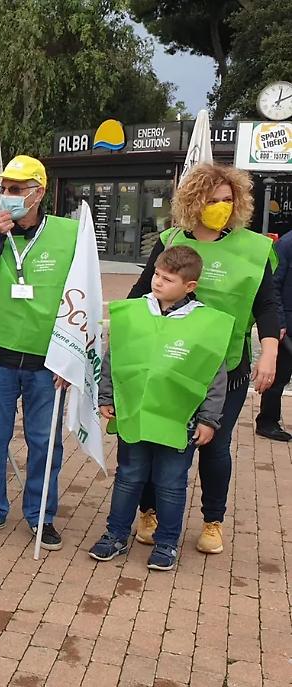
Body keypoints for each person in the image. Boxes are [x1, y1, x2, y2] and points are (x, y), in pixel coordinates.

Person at [128, 163, 280, 555]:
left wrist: (269, 354)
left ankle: (213, 520)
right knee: (157, 437)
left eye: (228, 199)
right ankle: (149, 511)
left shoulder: (253, 249)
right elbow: (140, 294)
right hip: (170, 366)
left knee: (214, 446)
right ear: (194, 202)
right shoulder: (170, 241)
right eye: (212, 200)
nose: (221, 207)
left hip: (226, 368)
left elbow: (267, 305)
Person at [0, 155, 75, 551]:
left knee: (45, 441)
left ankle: (41, 516)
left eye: (17, 189)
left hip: (46, 363)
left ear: (38, 193)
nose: (7, 195)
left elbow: (83, 297)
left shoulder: (70, 235)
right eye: (3, 188)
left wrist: (72, 357)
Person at [89, 246, 231, 571]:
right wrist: (106, 396)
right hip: (135, 415)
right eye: (157, 274)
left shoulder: (207, 324)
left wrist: (209, 419)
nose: (158, 282)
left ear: (189, 286)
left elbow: (214, 375)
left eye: (168, 279)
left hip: (178, 420)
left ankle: (166, 543)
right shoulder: (134, 312)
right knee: (128, 477)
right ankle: (115, 534)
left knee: (171, 483)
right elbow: (114, 357)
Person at [255, 228, 292, 441]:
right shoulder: (286, 244)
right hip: (287, 324)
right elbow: (273, 287)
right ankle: (267, 422)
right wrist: (279, 321)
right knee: (279, 377)